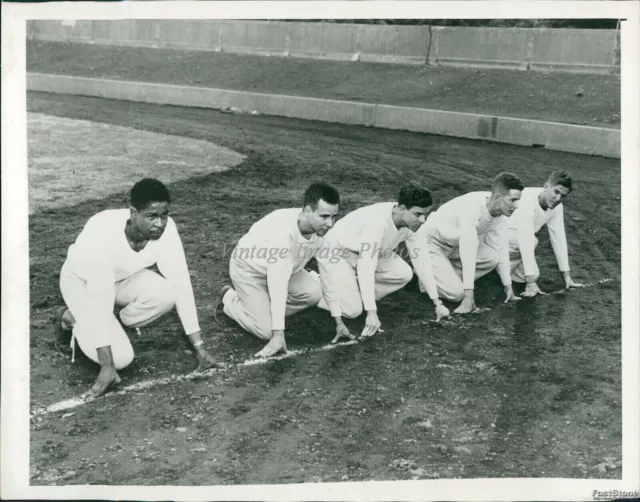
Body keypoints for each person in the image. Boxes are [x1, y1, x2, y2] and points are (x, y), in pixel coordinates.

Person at [53, 178, 223, 399]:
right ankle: (68, 317)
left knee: (167, 293)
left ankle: (114, 325)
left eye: (164, 215)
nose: (160, 224)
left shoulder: (167, 230)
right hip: (82, 283)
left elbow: (181, 283)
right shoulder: (104, 234)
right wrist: (107, 366)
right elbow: (99, 298)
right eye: (152, 216)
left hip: (122, 278)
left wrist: (199, 347)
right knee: (121, 359)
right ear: (133, 213)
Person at [216, 182, 340, 358]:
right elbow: (278, 285)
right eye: (324, 216)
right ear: (306, 211)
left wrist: (339, 321)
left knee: (314, 293)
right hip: (248, 271)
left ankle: (263, 309)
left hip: (288, 270)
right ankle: (229, 299)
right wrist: (278, 335)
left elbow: (328, 274)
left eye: (334, 216)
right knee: (266, 331)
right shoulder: (282, 233)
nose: (330, 223)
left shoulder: (322, 232)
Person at [316, 184, 450, 343]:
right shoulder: (377, 222)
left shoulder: (415, 224)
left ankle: (352, 292)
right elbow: (366, 267)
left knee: (403, 273)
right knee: (352, 311)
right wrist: (371, 314)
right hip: (337, 250)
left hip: (370, 253)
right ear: (401, 208)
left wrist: (437, 302)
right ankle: (318, 284)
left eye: (425, 214)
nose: (422, 219)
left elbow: (422, 261)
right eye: (418, 214)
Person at [422, 172, 524, 313]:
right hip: (432, 242)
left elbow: (501, 250)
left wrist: (509, 288)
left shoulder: (499, 215)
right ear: (498, 197)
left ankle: (441, 273)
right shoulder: (472, 207)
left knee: (492, 257)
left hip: (454, 245)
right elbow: (468, 251)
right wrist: (468, 297)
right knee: (457, 294)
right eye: (512, 200)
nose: (517, 205)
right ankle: (424, 277)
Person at [507, 171, 584, 296]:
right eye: (556, 192)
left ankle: (499, 270)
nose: (558, 199)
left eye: (563, 196)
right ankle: (497, 266)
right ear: (546, 186)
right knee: (531, 241)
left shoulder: (557, 206)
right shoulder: (526, 199)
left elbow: (558, 237)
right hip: (496, 236)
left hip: (516, 244)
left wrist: (566, 275)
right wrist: (531, 284)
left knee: (530, 275)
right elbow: (525, 239)